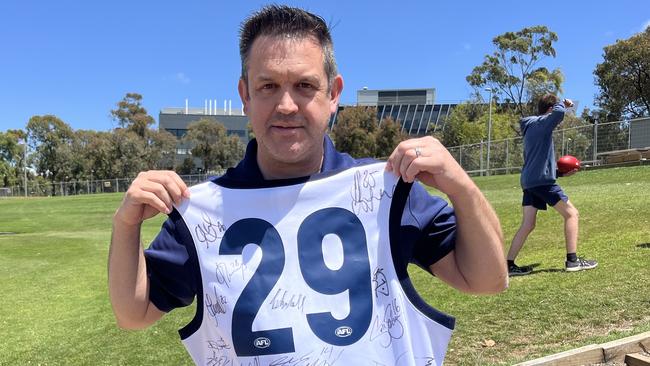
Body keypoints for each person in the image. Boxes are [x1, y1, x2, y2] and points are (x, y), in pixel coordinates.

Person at [108, 5, 507, 364]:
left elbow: (487, 279)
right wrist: (125, 226)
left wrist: (462, 188)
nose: (286, 105)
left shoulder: (384, 190)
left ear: (333, 94)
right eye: (268, 86)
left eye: (304, 85)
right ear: (245, 95)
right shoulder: (203, 211)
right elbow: (134, 312)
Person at [506, 94, 598, 276]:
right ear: (549, 109)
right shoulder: (542, 123)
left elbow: (538, 162)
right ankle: (573, 261)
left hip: (530, 182)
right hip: (542, 182)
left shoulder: (531, 126)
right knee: (572, 214)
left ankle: (508, 265)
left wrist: (559, 173)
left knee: (528, 224)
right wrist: (564, 104)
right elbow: (557, 114)